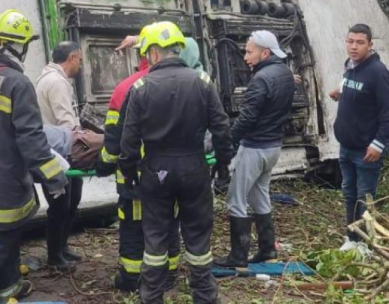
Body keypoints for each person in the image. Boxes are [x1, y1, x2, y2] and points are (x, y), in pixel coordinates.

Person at [119, 22, 233, 304]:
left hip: (155, 171)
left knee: (156, 238)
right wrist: (222, 167)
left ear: (155, 52)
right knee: (197, 238)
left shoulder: (141, 87)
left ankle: (152, 297)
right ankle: (204, 297)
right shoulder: (203, 82)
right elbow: (221, 129)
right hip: (194, 167)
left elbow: (129, 139)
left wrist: (129, 172)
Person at [0, 9, 69, 304]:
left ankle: (8, 286)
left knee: (6, 234)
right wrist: (54, 176)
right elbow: (31, 139)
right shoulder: (18, 84)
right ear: (20, 45)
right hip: (4, 177)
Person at [213, 31, 295, 268]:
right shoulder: (285, 73)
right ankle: (268, 250)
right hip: (273, 147)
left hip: (255, 147)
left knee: (235, 198)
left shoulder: (260, 80)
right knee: (259, 194)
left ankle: (238, 256)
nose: (246, 57)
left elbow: (247, 118)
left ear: (265, 52)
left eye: (250, 52)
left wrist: (229, 143)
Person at [328, 24, 389, 250]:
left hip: (365, 149)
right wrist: (339, 91)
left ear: (370, 45)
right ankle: (351, 237)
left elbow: (388, 114)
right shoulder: (350, 66)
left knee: (364, 197)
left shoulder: (378, 72)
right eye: (350, 41)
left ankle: (366, 243)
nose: (353, 46)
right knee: (349, 193)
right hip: (346, 146)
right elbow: (356, 87)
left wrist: (378, 144)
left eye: (359, 42)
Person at [35, 41, 85, 272]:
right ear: (72, 58)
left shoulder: (52, 79)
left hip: (59, 150)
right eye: (81, 60)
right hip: (60, 153)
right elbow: (66, 121)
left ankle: (62, 248)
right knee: (60, 205)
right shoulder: (56, 82)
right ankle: (55, 256)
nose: (81, 65)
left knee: (70, 202)